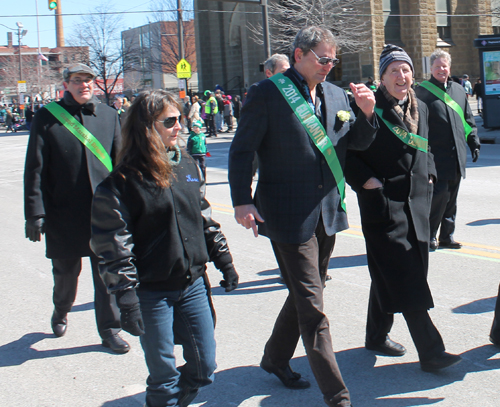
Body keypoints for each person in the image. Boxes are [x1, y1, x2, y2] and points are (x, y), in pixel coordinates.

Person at [228, 26, 377, 407]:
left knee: (305, 294)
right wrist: (242, 200)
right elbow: (242, 151)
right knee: (313, 308)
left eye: (333, 60)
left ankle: (275, 358)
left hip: (327, 212)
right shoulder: (267, 94)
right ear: (299, 55)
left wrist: (366, 114)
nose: (329, 66)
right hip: (287, 214)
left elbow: (355, 144)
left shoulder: (336, 94)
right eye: (322, 58)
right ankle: (338, 395)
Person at [90, 90, 238, 407]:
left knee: (205, 368)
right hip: (151, 291)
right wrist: (126, 297)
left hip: (192, 283)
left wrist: (223, 259)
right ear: (146, 126)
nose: (178, 126)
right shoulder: (121, 182)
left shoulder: (183, 162)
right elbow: (113, 245)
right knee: (163, 378)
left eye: (179, 119)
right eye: (170, 121)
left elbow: (204, 217)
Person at [345, 44, 462, 372]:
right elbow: (348, 154)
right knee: (407, 276)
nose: (401, 76)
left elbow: (426, 148)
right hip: (383, 205)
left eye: (406, 69)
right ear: (381, 78)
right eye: (393, 70)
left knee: (393, 271)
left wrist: (432, 175)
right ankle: (431, 351)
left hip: (418, 202)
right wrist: (368, 183)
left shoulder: (420, 106)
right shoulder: (368, 106)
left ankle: (375, 335)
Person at [23, 63, 128, 353]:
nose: (84, 85)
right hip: (63, 213)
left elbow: (120, 164)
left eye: (88, 80)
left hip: (104, 213)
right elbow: (35, 168)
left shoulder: (109, 115)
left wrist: (131, 205)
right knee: (66, 274)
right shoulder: (47, 117)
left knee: (106, 274)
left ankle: (110, 330)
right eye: (77, 80)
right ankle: (61, 309)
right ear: (66, 84)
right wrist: (34, 212)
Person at [415, 50, 481, 250]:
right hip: (435, 157)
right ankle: (429, 236)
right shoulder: (421, 92)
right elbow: (417, 126)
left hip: (456, 155)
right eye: (437, 67)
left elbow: (468, 121)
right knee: (438, 198)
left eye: (444, 66)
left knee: (451, 199)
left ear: (449, 68)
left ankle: (447, 236)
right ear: (431, 69)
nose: (441, 70)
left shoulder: (459, 91)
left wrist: (474, 142)